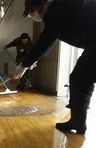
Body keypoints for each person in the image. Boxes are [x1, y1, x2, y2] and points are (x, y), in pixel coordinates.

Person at [14, 0, 96, 134]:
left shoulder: (57, 7)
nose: (31, 15)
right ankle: (78, 121)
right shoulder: (58, 8)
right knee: (80, 77)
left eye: (30, 12)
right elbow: (50, 38)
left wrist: (24, 64)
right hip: (93, 42)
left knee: (81, 77)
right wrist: (33, 61)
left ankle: (78, 121)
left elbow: (47, 40)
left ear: (37, 6)